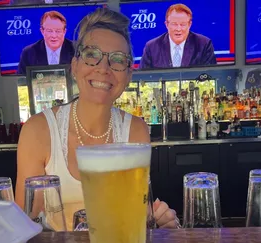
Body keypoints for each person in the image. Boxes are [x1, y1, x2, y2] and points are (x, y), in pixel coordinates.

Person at [15, 8, 178, 231]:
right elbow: (24, 226)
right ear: (75, 66)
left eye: (118, 60)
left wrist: (160, 222)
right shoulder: (38, 130)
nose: (103, 69)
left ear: (128, 75)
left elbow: (136, 218)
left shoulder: (135, 130)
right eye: (92, 55)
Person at [139, 3, 216, 69]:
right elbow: (143, 79)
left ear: (189, 25)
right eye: (174, 24)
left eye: (183, 24)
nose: (178, 29)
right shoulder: (152, 47)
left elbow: (210, 76)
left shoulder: (204, 44)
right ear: (167, 24)